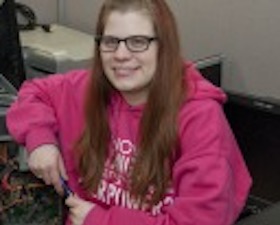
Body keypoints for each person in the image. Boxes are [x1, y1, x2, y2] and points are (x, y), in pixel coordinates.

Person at [6, 0, 252, 225]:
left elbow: (201, 221)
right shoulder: (87, 89)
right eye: (110, 42)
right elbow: (34, 93)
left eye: (138, 42)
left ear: (164, 47)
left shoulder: (199, 117)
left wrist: (101, 220)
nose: (121, 55)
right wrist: (40, 141)